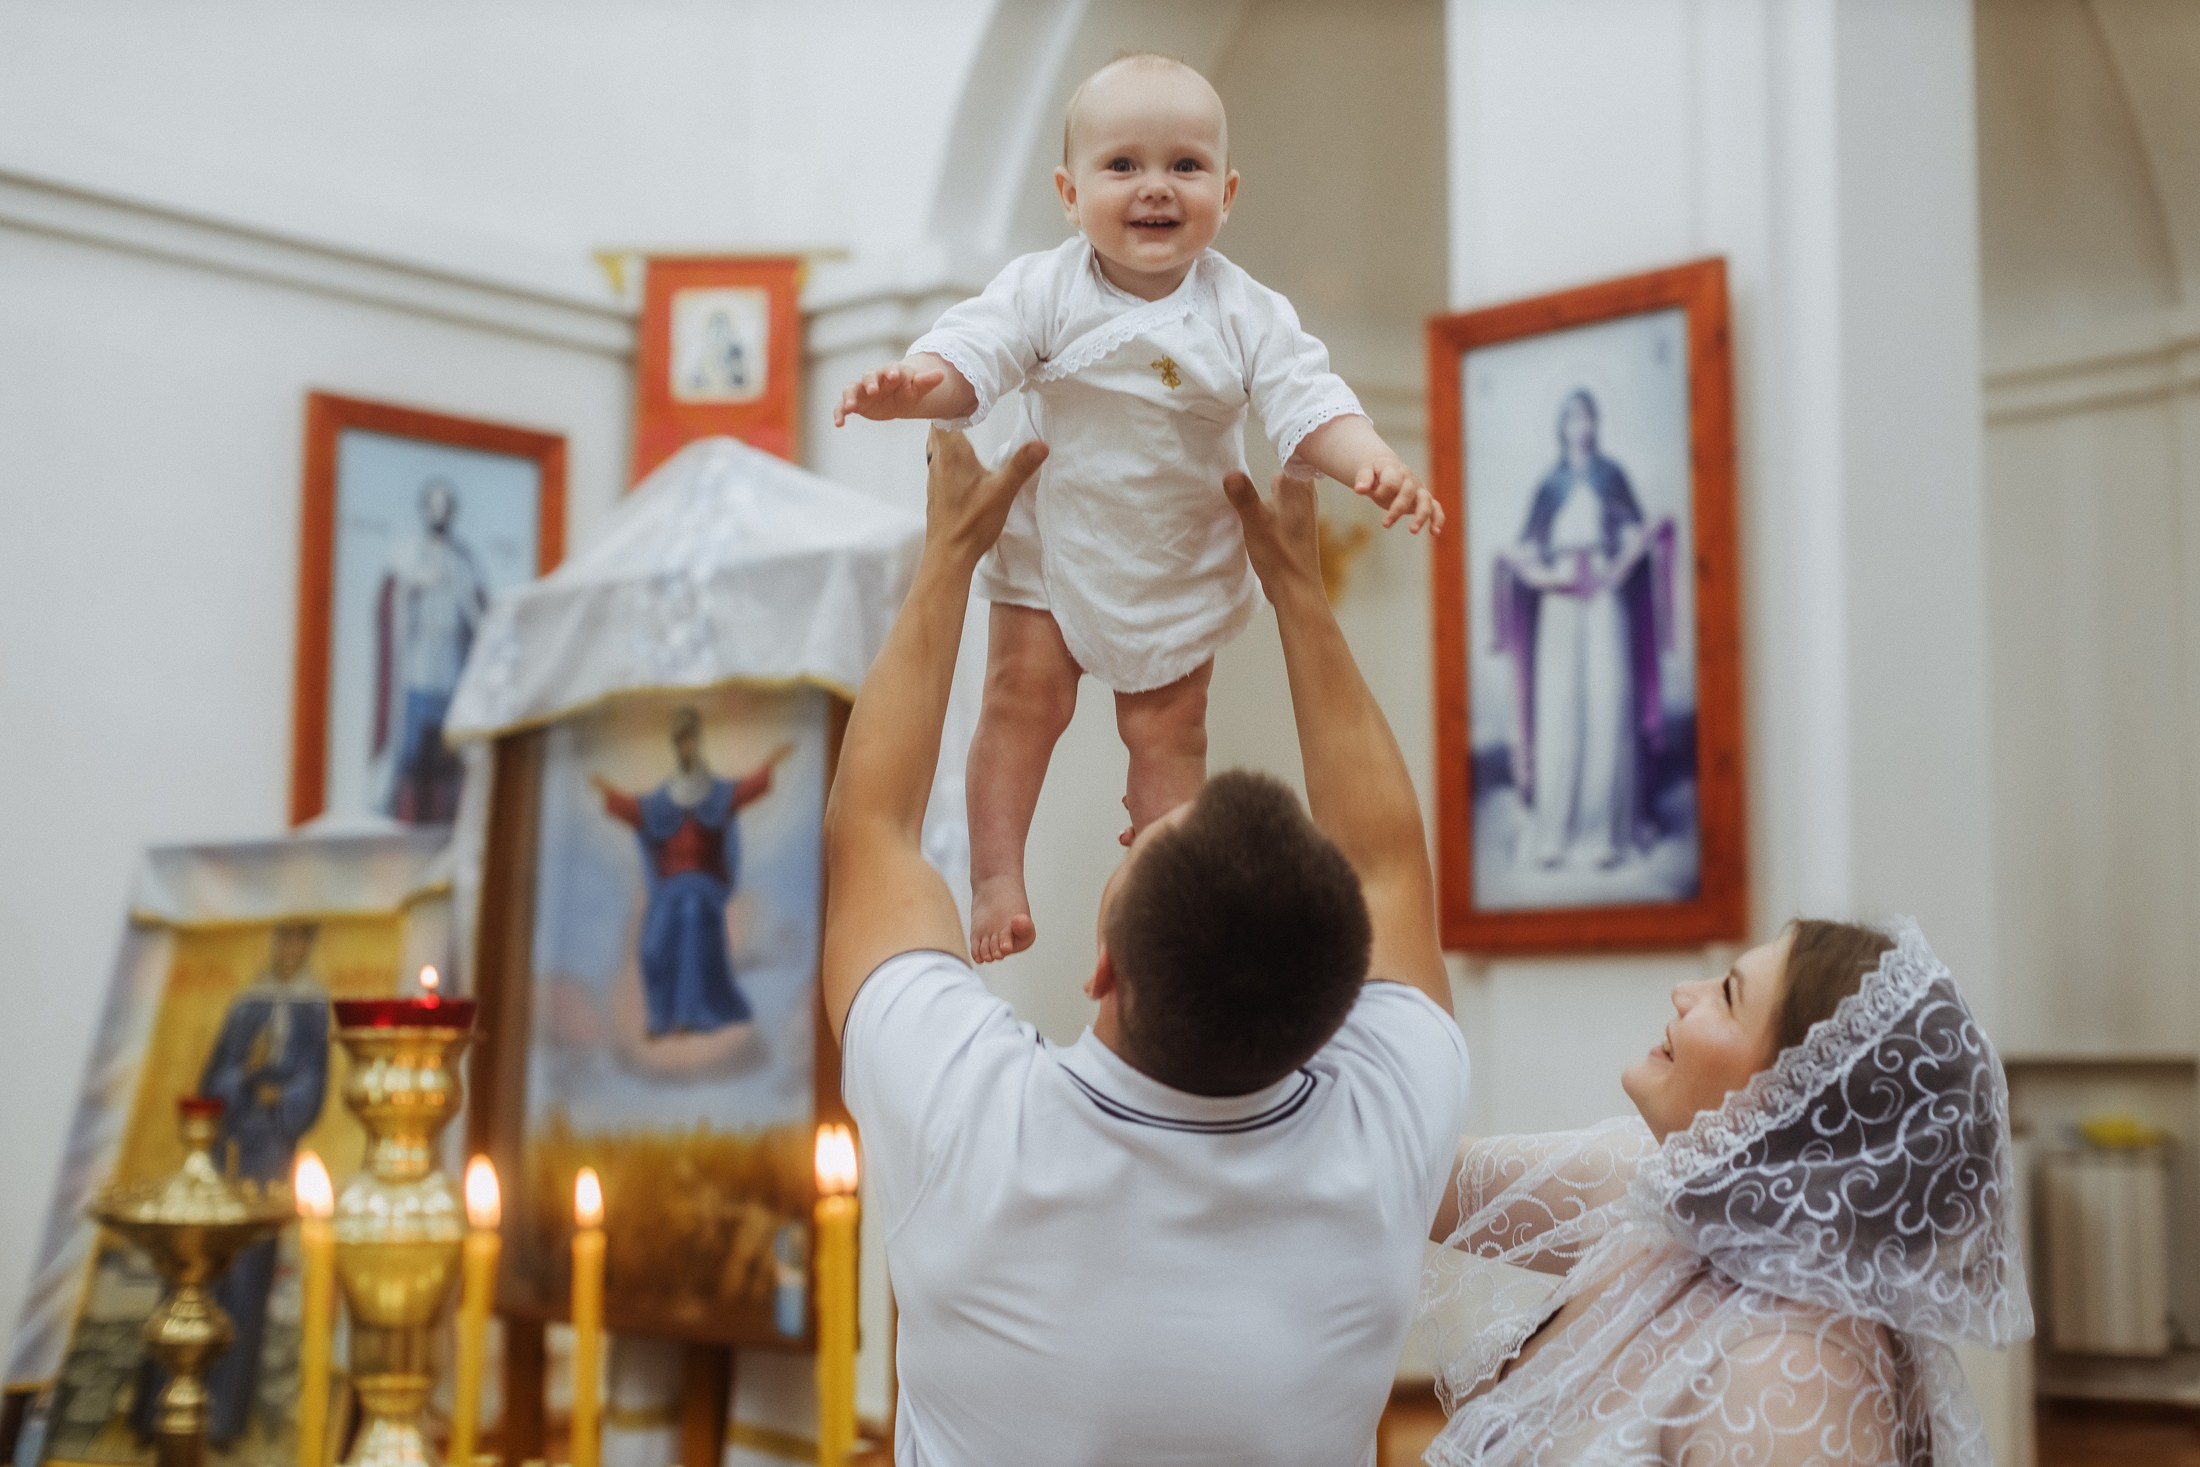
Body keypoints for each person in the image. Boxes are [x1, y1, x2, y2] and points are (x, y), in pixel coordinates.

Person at [821, 429, 1469, 1466]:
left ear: (1103, 970)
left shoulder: (970, 1119)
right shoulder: (1387, 1133)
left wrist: (949, 556)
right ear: (1342, 1000)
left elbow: (869, 833)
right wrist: (1297, 590)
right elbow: (1389, 865)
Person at [833, 53, 1441, 965]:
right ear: (1069, 193)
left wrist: (1375, 463)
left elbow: (1309, 405)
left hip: (1176, 556)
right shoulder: (1046, 287)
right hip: (1052, 544)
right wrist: (917, 385)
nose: (1156, 187)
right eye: (1123, 166)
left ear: (1226, 193)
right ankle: (997, 874)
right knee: (1016, 702)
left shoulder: (1244, 312)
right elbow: (977, 352)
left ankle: (1165, 899)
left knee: (1170, 736)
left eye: (1185, 167)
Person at [1419, 919, 2032, 1466]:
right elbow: (1418, 1173)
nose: (1685, 995)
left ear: (1802, 1105)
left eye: (1728, 994)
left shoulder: (1795, 1377)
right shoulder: (1671, 1187)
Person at [136, 923, 330, 1446]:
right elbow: (215, 1072)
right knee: (196, 1261)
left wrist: (281, 1099)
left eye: (299, 942)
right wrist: (241, 1079)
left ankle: (222, 1422)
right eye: (284, 941)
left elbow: (314, 1079)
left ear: (307, 948)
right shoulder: (246, 1005)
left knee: (247, 1274)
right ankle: (159, 1413)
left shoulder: (313, 1010)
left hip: (270, 1150)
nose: (290, 951)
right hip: (226, 1145)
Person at [1492, 389, 1675, 869]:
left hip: (1604, 597)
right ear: (1562, 426)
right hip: (1559, 602)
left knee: (1607, 704)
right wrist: (1544, 577)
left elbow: (1637, 535)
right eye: (1573, 418)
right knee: (1559, 709)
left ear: (1596, 423)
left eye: (1588, 417)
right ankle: (1556, 832)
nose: (1581, 427)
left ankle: (1606, 833)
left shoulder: (1611, 476)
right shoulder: (1550, 485)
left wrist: (1615, 569)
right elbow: (1525, 548)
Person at [592, 707, 794, 1038]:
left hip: (702, 887)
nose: (686, 747)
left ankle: (690, 1015)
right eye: (680, 741)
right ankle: (660, 1017)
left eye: (690, 740)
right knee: (652, 946)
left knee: (690, 919)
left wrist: (771, 763)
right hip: (668, 889)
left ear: (696, 742)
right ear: (676, 745)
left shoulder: (714, 793)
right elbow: (637, 812)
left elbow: (744, 791)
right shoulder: (663, 798)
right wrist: (606, 790)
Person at [374, 475, 489, 822]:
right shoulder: (408, 554)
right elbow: (391, 601)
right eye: (433, 505)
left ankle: (445, 818)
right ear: (425, 509)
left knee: (446, 749)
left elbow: (478, 611)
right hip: (417, 668)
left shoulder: (464, 558)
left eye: (445, 506)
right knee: (414, 750)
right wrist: (414, 585)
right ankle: (407, 815)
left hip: (451, 668)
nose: (439, 513)